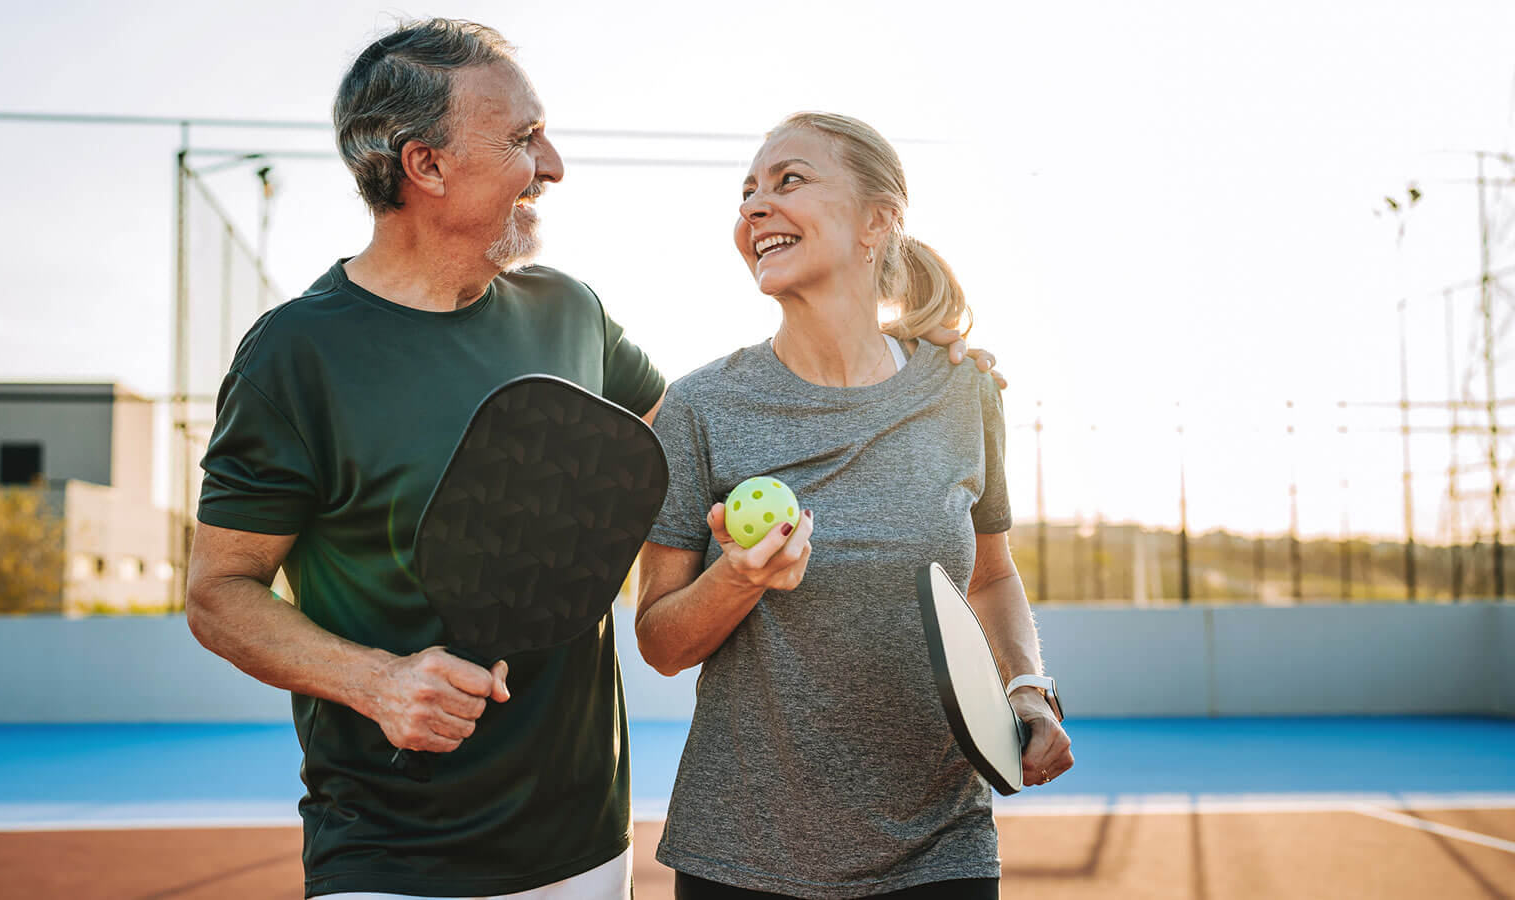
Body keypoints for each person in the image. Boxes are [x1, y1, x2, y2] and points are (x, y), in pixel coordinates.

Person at [185, 21, 1005, 900]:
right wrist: (378, 681)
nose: (554, 166)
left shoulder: (571, 313)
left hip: (585, 842)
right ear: (425, 166)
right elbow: (218, 592)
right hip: (389, 851)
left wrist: (924, 387)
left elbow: (696, 439)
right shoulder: (295, 355)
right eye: (522, 139)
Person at [635, 112, 1074, 900]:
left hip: (942, 851)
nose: (754, 208)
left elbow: (994, 577)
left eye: (788, 180)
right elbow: (660, 641)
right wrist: (738, 580)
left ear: (878, 221)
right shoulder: (699, 408)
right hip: (741, 857)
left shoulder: (963, 389)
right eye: (747, 193)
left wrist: (1027, 690)